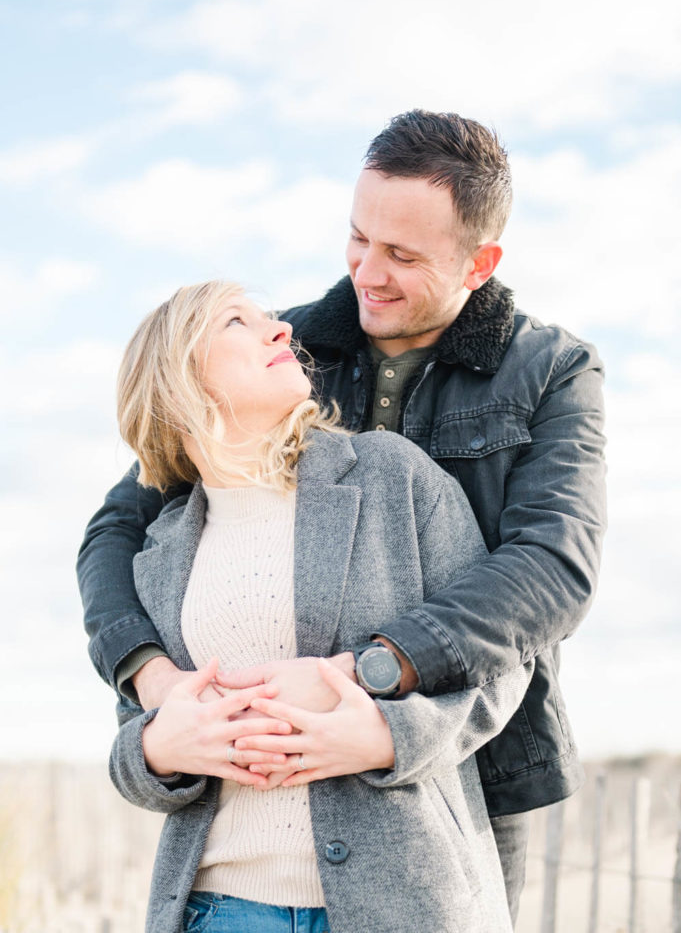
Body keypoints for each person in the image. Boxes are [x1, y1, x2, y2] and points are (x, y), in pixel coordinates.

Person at [78, 109, 607, 924]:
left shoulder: (548, 368)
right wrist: (153, 681)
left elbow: (551, 566)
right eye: (358, 237)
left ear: (479, 262)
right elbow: (119, 527)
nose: (368, 270)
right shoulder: (281, 356)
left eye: (402, 255)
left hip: (467, 757)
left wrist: (367, 674)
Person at [109, 280, 533, 933]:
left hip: (406, 902)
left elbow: (499, 660)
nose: (280, 330)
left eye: (269, 320)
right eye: (236, 323)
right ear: (175, 377)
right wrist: (158, 749)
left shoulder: (393, 477)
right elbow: (130, 746)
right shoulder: (158, 550)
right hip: (219, 911)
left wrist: (387, 737)